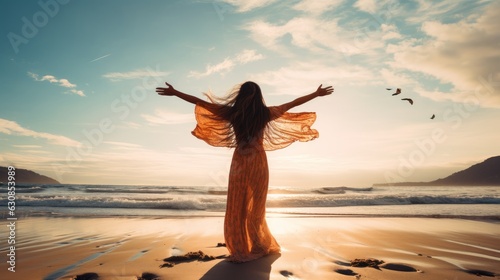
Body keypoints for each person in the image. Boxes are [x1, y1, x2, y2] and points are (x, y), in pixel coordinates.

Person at [156, 81, 333, 262]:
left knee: (237, 204)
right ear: (259, 96)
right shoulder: (264, 114)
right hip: (258, 161)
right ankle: (258, 245)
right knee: (256, 206)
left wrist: (175, 92)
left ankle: (240, 247)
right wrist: (315, 94)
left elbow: (200, 102)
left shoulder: (233, 113)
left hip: (240, 161)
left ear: (240, 95)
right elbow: (293, 103)